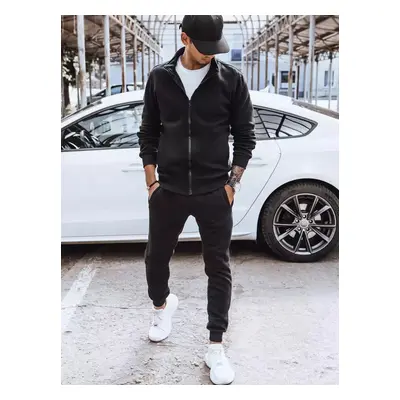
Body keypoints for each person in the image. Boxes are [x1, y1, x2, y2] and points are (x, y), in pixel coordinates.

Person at [138, 15, 256, 385]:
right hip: (169, 190)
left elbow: (245, 137)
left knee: (218, 267)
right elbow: (148, 131)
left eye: (215, 49)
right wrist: (152, 182)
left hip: (213, 191)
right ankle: (162, 306)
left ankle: (216, 346)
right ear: (184, 38)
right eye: (204, 48)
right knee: (155, 259)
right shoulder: (160, 78)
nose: (210, 55)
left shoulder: (231, 80)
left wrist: (231, 184)